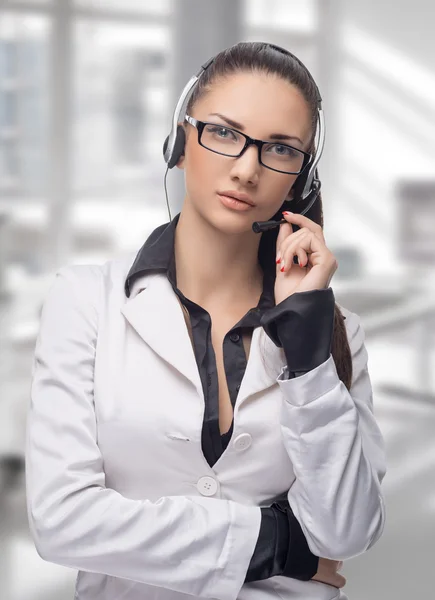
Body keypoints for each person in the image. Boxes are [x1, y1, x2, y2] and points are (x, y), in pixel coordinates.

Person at [25, 42, 387, 600]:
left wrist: (310, 357)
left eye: (281, 149)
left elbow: (347, 531)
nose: (246, 170)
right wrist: (274, 542)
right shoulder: (85, 300)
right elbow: (61, 519)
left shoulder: (336, 333)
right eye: (223, 133)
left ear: (301, 178)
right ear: (179, 141)